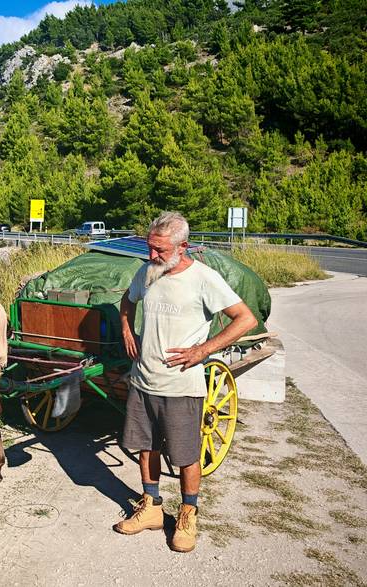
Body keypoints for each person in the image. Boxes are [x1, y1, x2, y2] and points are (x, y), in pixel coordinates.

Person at [114, 211, 257, 552]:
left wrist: (203, 350)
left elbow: (245, 319)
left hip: (181, 386)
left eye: (160, 250)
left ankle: (188, 514)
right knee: (146, 446)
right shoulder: (147, 272)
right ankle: (151, 507)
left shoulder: (204, 279)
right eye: (149, 247)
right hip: (144, 380)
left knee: (186, 454)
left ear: (183, 246)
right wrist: (127, 331)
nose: (152, 255)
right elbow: (127, 301)